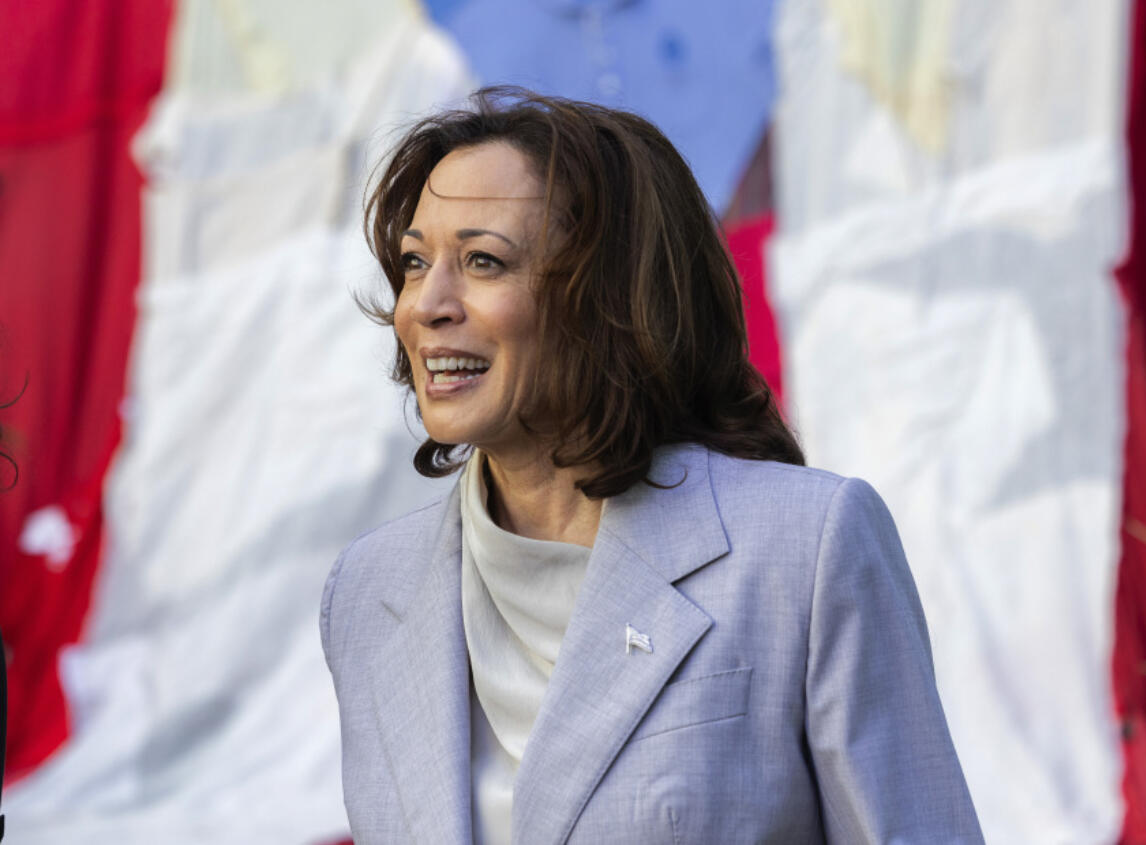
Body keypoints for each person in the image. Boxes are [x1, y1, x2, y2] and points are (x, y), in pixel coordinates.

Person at [320, 87, 982, 844]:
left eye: (482, 261)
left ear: (608, 294)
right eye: (413, 261)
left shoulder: (808, 547)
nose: (425, 304)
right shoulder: (367, 593)